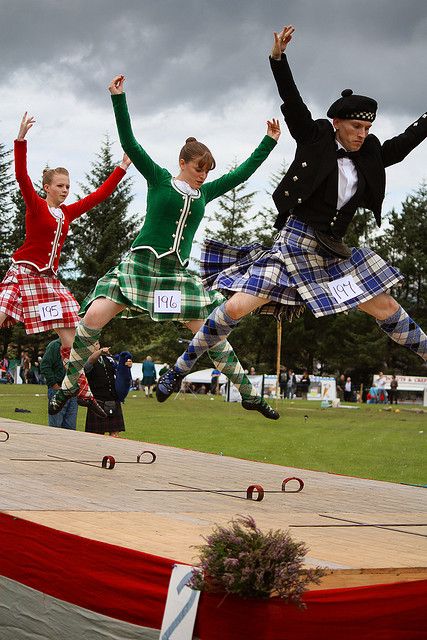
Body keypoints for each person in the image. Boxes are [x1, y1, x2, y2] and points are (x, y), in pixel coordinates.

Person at [157, 23, 427, 402]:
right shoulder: (315, 136)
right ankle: (177, 370)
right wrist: (278, 59)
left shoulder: (369, 153)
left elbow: (402, 145)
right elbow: (292, 101)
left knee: (385, 305)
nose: (362, 133)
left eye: (367, 127)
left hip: (332, 254)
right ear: (337, 123)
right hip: (293, 245)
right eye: (355, 126)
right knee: (236, 306)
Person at [49, 74, 281, 421]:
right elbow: (129, 140)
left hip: (175, 274)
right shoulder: (158, 179)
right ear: (183, 162)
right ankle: (70, 385)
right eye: (199, 168)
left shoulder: (205, 193)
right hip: (141, 265)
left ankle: (248, 394)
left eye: (208, 170)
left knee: (211, 330)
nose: (203, 175)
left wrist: (268, 141)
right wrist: (118, 98)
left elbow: (242, 174)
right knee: (94, 317)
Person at [0, 112, 131, 415]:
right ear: (46, 186)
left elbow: (100, 195)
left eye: (67, 186)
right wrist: (20, 140)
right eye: (59, 185)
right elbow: (20, 176)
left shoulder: (67, 213)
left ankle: (81, 392)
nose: (65, 190)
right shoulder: (35, 205)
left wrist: (122, 166)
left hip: (49, 281)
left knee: (72, 335)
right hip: (24, 273)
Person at [84, 343, 132, 437]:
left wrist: (126, 365)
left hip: (113, 400)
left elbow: (119, 371)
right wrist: (100, 352)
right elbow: (90, 362)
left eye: (96, 343)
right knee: (95, 436)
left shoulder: (109, 359)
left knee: (115, 434)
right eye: (92, 343)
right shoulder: (87, 359)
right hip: (97, 402)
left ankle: (114, 451)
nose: (95, 345)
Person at [40, 338, 78, 429]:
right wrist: (54, 385)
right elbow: (45, 366)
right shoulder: (54, 345)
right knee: (55, 427)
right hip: (58, 389)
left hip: (73, 391)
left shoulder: (77, 345)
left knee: (71, 427)